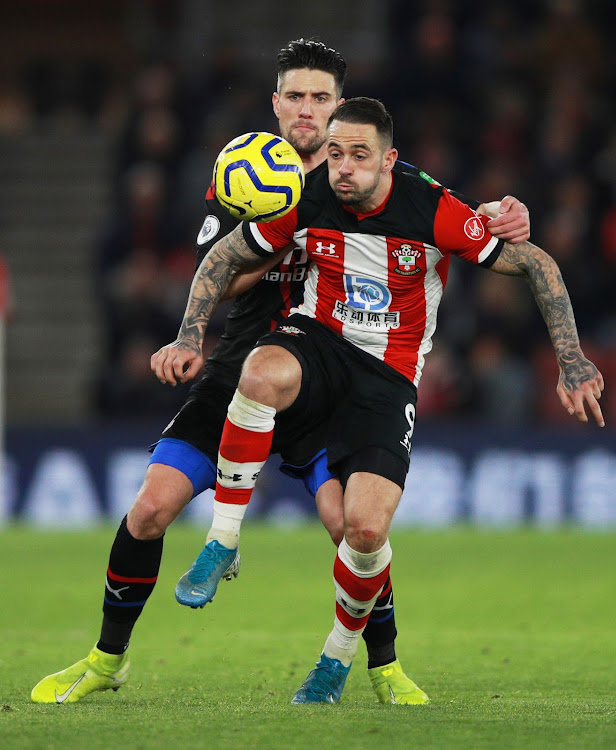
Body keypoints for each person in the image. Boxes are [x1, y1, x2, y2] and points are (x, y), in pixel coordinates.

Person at [31, 41, 529, 706]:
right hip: (243, 371)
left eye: (321, 98)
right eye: (294, 96)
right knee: (149, 510)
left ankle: (383, 665)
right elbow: (220, 278)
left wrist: (502, 214)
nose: (307, 109)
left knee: (353, 526)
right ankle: (105, 660)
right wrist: (284, 232)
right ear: (276, 104)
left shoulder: (374, 173)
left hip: (333, 376)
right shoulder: (243, 173)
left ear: (340, 107)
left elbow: (444, 213)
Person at [152, 97, 605, 704]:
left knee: (361, 531)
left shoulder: (433, 208)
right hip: (317, 344)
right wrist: (189, 334)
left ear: (389, 159)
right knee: (260, 370)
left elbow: (537, 264)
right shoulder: (307, 197)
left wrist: (570, 360)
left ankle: (336, 661)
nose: (343, 167)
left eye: (359, 156)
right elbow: (228, 253)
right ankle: (222, 540)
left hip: (388, 377)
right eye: (335, 153)